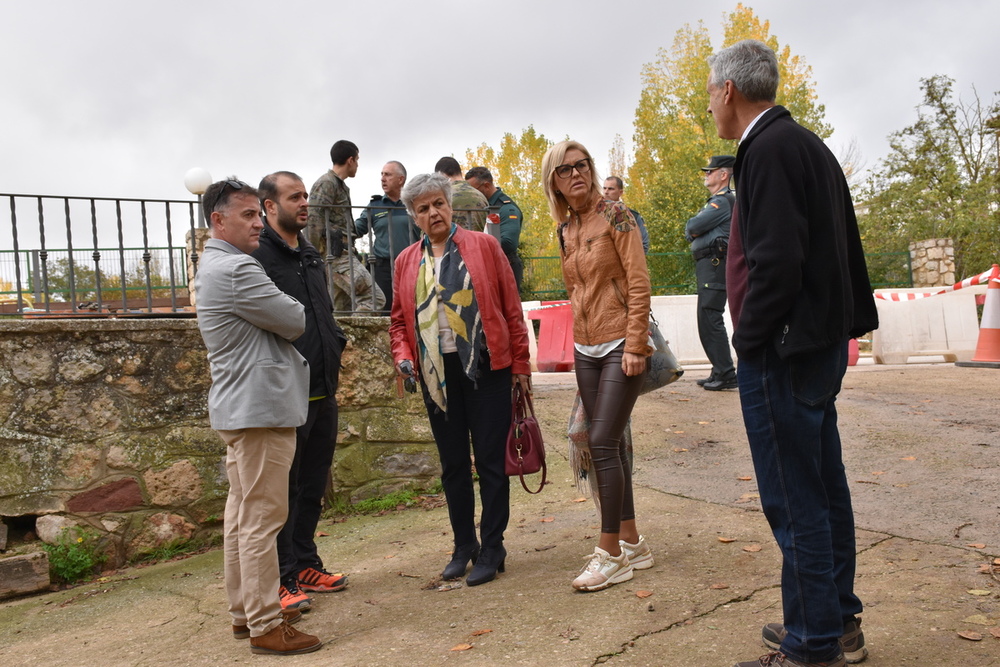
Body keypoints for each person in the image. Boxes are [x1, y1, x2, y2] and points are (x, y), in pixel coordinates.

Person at [706, 40, 878, 667]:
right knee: (823, 486)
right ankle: (835, 620)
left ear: (727, 90)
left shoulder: (769, 150)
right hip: (815, 345)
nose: (709, 104)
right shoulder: (804, 144)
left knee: (795, 496)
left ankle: (812, 642)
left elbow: (777, 263)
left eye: (709, 92)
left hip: (784, 351)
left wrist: (748, 341)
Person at [193, 178, 322, 656]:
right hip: (259, 408)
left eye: (256, 213)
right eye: (247, 215)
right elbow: (295, 318)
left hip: (243, 406)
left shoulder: (214, 265)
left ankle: (246, 614)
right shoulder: (237, 270)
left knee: (242, 516)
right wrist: (285, 304)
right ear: (218, 221)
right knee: (262, 519)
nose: (257, 223)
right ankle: (267, 623)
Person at [389, 173, 531, 587]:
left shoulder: (484, 246)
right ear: (413, 216)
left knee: (490, 462)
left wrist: (520, 367)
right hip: (437, 375)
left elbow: (510, 307)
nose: (432, 212)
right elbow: (399, 321)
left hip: (487, 368)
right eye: (422, 208)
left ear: (449, 205)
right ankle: (463, 545)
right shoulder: (405, 262)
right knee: (453, 466)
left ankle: (493, 546)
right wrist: (402, 356)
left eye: (438, 203)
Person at [541, 141, 654, 592]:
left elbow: (640, 279)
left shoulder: (617, 215)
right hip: (585, 349)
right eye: (565, 170)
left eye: (582, 165)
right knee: (613, 443)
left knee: (601, 440)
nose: (576, 174)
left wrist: (635, 343)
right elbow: (576, 290)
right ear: (555, 182)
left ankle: (609, 554)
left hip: (620, 346)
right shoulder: (564, 228)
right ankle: (632, 541)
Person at [252, 172, 350, 614]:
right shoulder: (259, 257)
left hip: (322, 388)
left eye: (306, 195)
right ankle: (283, 577)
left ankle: (307, 563)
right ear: (269, 207)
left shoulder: (309, 253)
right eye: (295, 197)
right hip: (287, 394)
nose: (304, 203)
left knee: (313, 487)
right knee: (284, 493)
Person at [306, 140, 385, 312]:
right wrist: (311, 256)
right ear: (350, 160)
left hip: (341, 253)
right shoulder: (327, 182)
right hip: (336, 255)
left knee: (341, 311)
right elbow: (313, 219)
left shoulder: (338, 185)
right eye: (357, 160)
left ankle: (345, 339)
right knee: (374, 298)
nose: (357, 165)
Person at [685, 155, 737, 391]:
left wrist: (694, 229)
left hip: (715, 264)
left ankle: (726, 373)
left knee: (710, 317)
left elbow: (693, 227)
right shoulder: (716, 202)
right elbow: (692, 230)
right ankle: (719, 370)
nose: (706, 174)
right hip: (709, 265)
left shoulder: (723, 202)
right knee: (706, 319)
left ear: (723, 175)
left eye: (710, 171)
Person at [354, 161, 419, 314]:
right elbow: (356, 229)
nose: (383, 178)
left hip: (412, 266)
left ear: (401, 179)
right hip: (383, 269)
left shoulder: (414, 203)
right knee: (386, 313)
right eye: (382, 174)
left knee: (412, 311)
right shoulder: (375, 205)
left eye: (388, 175)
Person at [465, 166, 524, 289]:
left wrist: (475, 248)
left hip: (506, 267)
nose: (472, 195)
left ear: (486, 186)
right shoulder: (485, 207)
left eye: (474, 191)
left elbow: (509, 243)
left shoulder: (506, 208)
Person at [434, 156, 488, 232]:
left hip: (453, 243)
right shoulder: (481, 196)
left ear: (440, 175)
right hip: (480, 243)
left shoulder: (443, 197)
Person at [602, 176, 650, 253]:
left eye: (611, 189)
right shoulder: (595, 215)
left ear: (620, 192)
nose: (606, 192)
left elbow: (644, 245)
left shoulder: (633, 216)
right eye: (604, 188)